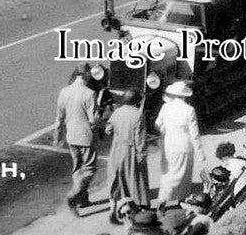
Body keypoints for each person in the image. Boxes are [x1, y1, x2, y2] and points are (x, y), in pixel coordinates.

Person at [53, 70, 98, 211]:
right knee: (89, 169)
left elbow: (59, 118)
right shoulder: (89, 93)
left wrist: (57, 137)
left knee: (77, 168)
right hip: (85, 136)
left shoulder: (64, 92)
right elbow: (92, 120)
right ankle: (74, 194)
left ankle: (82, 200)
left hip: (71, 136)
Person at [154, 80, 205, 206]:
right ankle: (180, 202)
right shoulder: (189, 110)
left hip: (169, 147)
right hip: (184, 147)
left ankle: (162, 203)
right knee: (184, 177)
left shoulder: (165, 107)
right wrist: (200, 152)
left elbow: (157, 125)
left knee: (168, 176)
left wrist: (164, 132)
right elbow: (194, 134)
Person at [105, 89, 150, 220]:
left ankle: (113, 205)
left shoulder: (117, 112)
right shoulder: (138, 115)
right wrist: (141, 155)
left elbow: (108, 130)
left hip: (116, 148)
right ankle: (135, 207)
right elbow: (139, 140)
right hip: (129, 150)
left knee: (116, 178)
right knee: (134, 179)